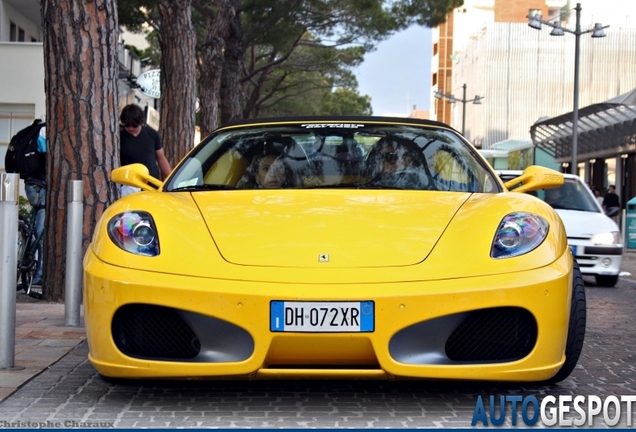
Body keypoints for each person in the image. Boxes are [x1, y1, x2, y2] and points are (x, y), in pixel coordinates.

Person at [119, 104, 172, 197]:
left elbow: (161, 158)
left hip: (150, 184)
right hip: (129, 185)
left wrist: (171, 179)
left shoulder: (152, 135)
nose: (130, 128)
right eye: (127, 126)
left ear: (140, 122)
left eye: (134, 126)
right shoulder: (119, 137)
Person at [25, 125, 47, 286]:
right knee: (42, 231)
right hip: (41, 185)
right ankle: (40, 275)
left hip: (30, 183)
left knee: (37, 223)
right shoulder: (46, 133)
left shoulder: (35, 132)